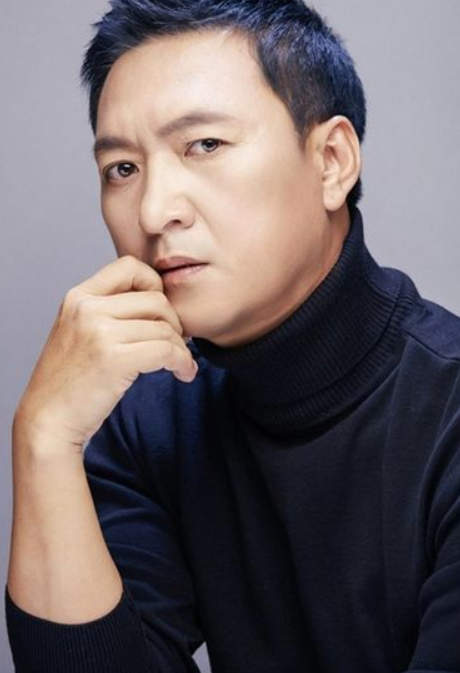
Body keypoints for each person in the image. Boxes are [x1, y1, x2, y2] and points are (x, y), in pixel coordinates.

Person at [5, 0, 460, 671]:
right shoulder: (145, 416)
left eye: (205, 145)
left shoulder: (446, 413)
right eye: (122, 168)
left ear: (332, 161)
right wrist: (42, 440)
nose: (154, 211)